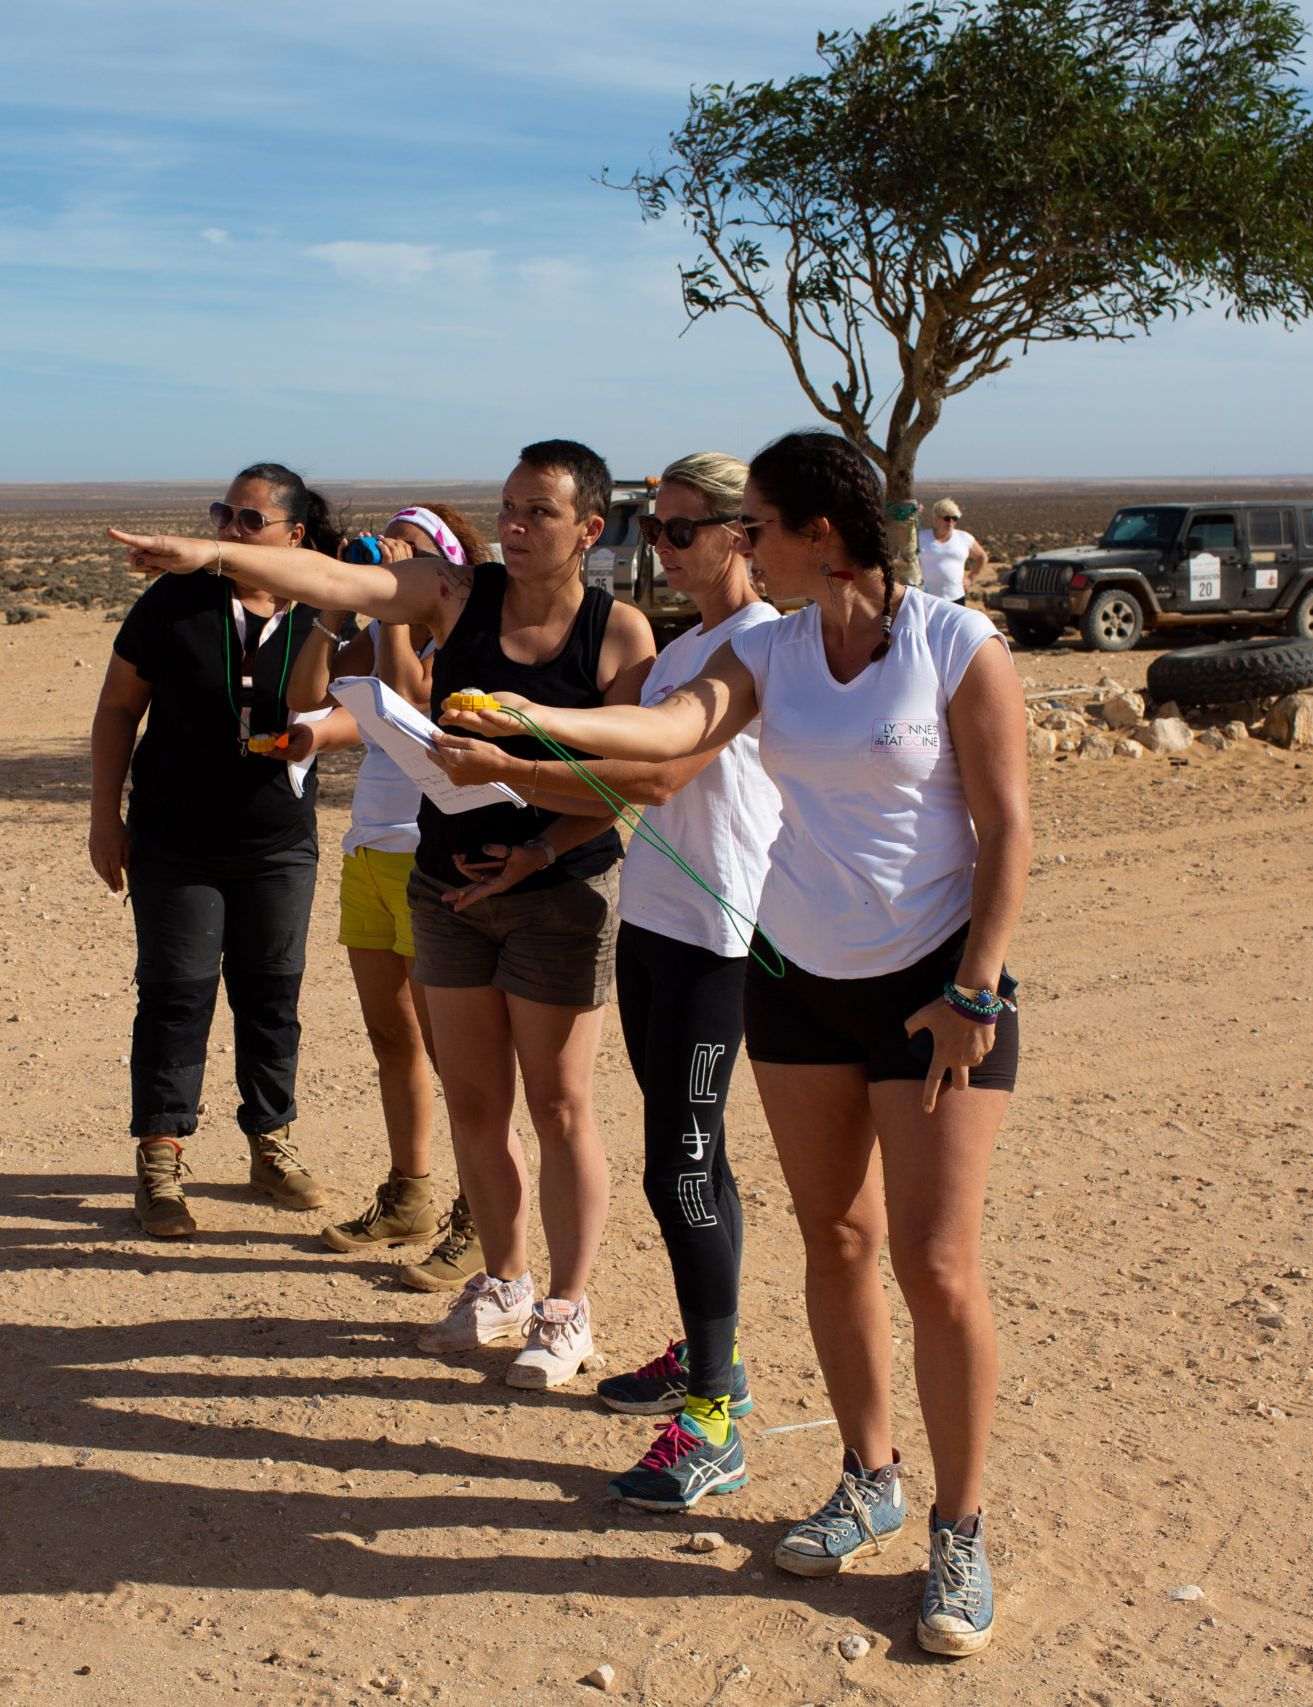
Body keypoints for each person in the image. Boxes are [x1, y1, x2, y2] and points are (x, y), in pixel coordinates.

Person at [437, 431, 1031, 1658]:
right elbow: (675, 734)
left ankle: (958, 1530)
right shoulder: (771, 646)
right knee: (837, 1239)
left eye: (751, 525)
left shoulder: (953, 645)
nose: (734, 547)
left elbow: (1006, 827)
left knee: (934, 1265)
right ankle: (869, 1477)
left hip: (932, 988)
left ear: (821, 531)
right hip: (800, 980)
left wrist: (974, 988)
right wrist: (527, 726)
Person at [113, 440, 657, 1390]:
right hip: (448, 888)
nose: (518, 526)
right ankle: (505, 1282)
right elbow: (329, 577)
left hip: (556, 892)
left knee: (561, 1105)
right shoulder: (456, 592)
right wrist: (212, 558)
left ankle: (567, 1309)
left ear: (590, 529)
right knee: (477, 1104)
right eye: (511, 508)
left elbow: (629, 781)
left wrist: (532, 838)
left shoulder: (621, 637)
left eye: (539, 512)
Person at [430, 452, 781, 1510]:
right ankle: (703, 1355)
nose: (659, 550)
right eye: (654, 529)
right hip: (657, 925)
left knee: (683, 1163)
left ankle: (713, 1415)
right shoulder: (687, 645)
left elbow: (659, 770)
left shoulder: (758, 643)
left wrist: (516, 752)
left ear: (741, 536)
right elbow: (624, 776)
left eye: (682, 531)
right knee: (682, 1160)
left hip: (724, 936)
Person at [88, 462, 362, 1238]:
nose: (229, 532)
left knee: (272, 995)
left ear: (295, 536)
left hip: (277, 843)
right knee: (175, 994)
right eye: (223, 515)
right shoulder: (175, 600)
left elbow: (368, 705)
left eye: (250, 521)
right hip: (174, 839)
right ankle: (162, 1156)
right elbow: (117, 710)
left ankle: (269, 1141)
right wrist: (105, 817)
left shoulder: (327, 610)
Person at [284, 502, 490, 1290]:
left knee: (456, 1053)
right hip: (368, 850)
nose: (385, 562)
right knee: (391, 1036)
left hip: (427, 858)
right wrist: (335, 614)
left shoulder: (462, 639)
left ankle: (480, 1213)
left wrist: (395, 612)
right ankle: (409, 1193)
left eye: (404, 554)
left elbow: (414, 705)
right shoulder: (370, 633)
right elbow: (308, 698)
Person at [917, 499, 989, 604]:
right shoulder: (921, 537)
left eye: (954, 518)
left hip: (956, 597)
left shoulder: (964, 538)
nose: (951, 522)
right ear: (936, 519)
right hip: (926, 598)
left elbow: (982, 557)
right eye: (947, 518)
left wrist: (970, 579)